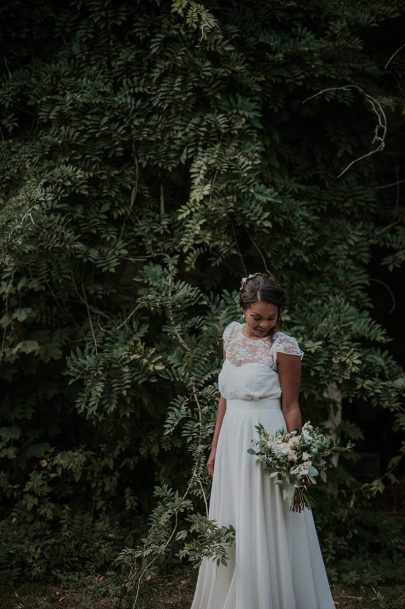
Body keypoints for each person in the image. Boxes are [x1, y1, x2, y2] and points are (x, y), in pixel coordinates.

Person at [190, 273, 335, 609]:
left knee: (265, 516)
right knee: (234, 515)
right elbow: (225, 396)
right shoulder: (229, 335)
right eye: (257, 317)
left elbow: (291, 404)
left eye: (272, 318)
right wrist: (215, 447)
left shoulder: (284, 346)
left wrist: (296, 457)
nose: (264, 324)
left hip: (267, 439)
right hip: (232, 439)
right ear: (243, 308)